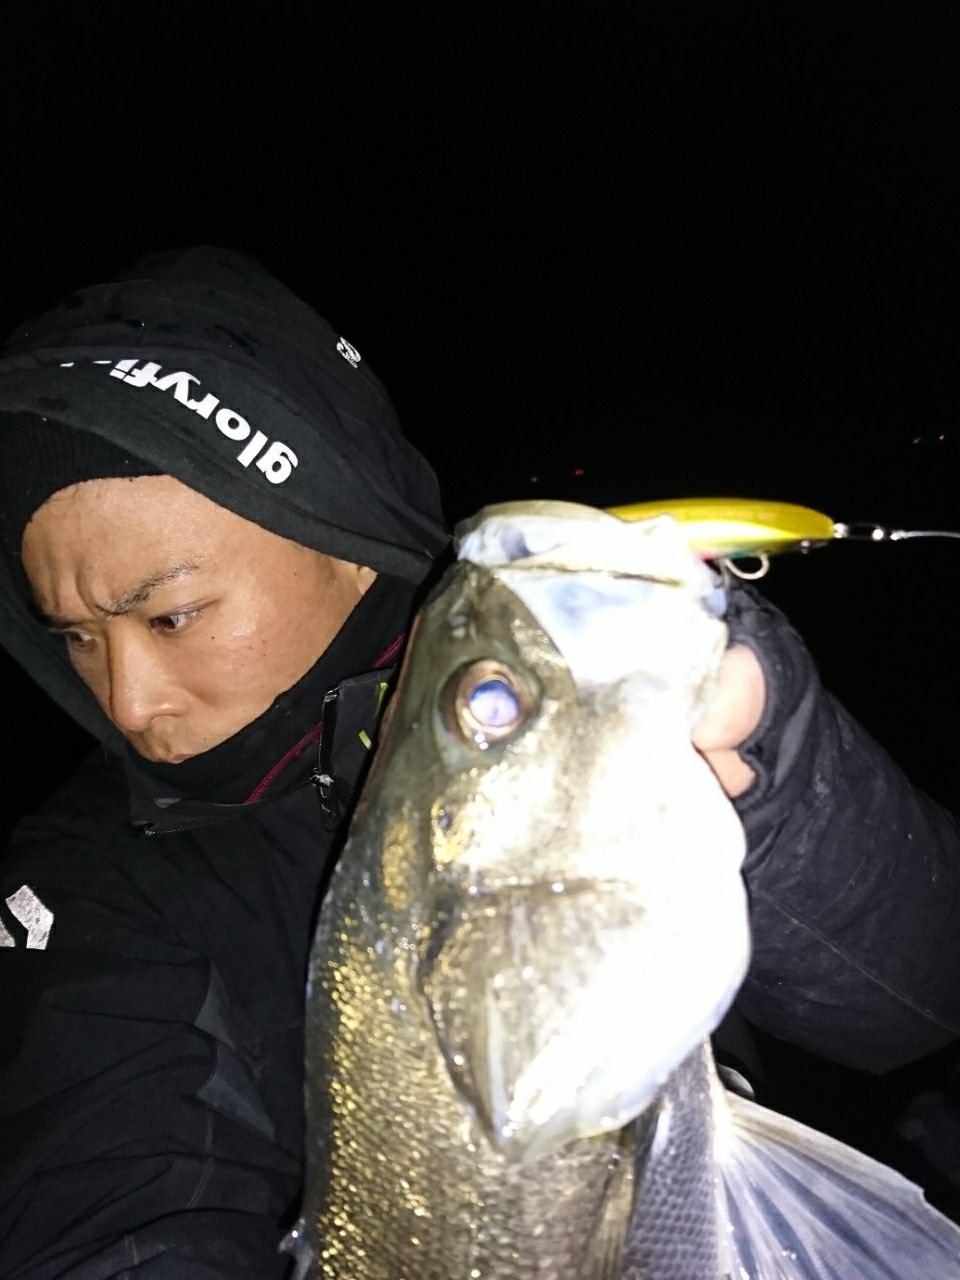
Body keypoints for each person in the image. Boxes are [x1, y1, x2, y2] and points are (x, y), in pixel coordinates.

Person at [0, 245, 957, 1278]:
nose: (127, 701)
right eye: (77, 636)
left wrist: (772, 779)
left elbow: (918, 1004)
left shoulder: (551, 685)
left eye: (173, 613)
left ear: (344, 535)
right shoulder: (87, 871)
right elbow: (106, 1191)